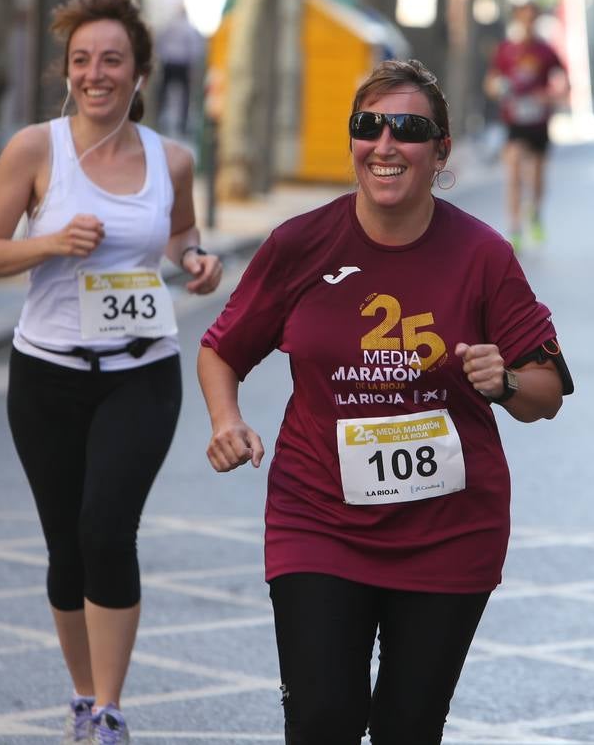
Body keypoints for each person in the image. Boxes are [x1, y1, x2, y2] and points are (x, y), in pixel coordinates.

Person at [199, 59, 573, 745]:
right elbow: (222, 347)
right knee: (322, 721)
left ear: (441, 151)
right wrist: (227, 421)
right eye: (368, 126)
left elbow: (545, 392)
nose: (386, 144)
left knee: (407, 730)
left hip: (449, 530)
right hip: (318, 518)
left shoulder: (483, 256)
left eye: (408, 129)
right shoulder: (300, 244)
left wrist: (506, 382)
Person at [0, 0, 223, 744]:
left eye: (111, 60)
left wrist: (197, 258)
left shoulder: (172, 158)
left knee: (108, 528)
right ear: (66, 72)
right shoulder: (35, 151)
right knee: (66, 542)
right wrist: (49, 242)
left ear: (140, 71)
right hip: (46, 375)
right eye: (81, 61)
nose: (95, 74)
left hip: (142, 371)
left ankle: (109, 708)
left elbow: (179, 232)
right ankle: (81, 694)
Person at [483, 2, 568, 249]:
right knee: (514, 171)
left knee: (537, 178)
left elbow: (564, 81)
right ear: (518, 20)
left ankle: (536, 212)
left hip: (539, 123)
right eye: (524, 18)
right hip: (515, 122)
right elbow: (490, 82)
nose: (528, 23)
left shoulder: (546, 51)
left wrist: (550, 96)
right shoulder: (506, 50)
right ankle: (515, 228)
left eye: (533, 19)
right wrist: (498, 88)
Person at [153, 5, 205, 136]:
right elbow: (195, 48)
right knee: (184, 97)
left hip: (170, 63)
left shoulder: (169, 25)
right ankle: (181, 125)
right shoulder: (188, 27)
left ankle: (160, 119)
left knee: (164, 93)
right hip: (182, 64)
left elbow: (160, 42)